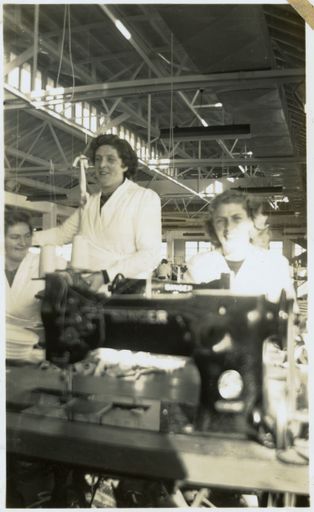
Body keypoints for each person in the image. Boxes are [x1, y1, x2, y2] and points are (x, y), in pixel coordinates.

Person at [33, 134, 162, 289]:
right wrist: (19, 237)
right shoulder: (89, 203)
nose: (102, 165)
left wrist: (106, 275)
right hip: (87, 290)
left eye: (110, 159)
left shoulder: (144, 198)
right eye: (98, 159)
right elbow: (60, 235)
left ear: (125, 165)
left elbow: (150, 255)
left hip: (125, 291)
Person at [186, 189, 295, 303]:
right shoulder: (198, 265)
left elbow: (291, 314)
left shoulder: (276, 264)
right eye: (220, 220)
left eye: (237, 218)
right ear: (212, 226)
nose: (229, 227)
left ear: (252, 222)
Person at [5, 210, 66, 362]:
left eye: (27, 236)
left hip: (34, 346)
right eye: (15, 237)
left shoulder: (45, 262)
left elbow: (70, 277)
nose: (23, 243)